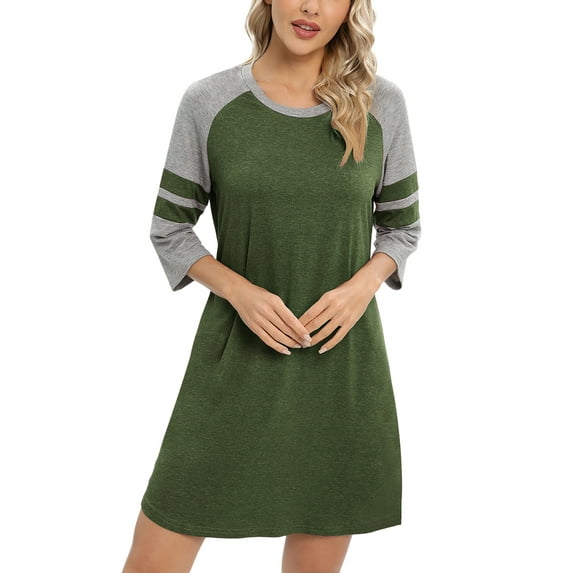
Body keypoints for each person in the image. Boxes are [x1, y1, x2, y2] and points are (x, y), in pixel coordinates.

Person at [122, 0, 421, 571]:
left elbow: (402, 228)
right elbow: (170, 228)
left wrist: (360, 287)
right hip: (234, 359)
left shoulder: (381, 104)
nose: (310, 7)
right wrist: (241, 292)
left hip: (339, 364)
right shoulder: (210, 102)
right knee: (154, 555)